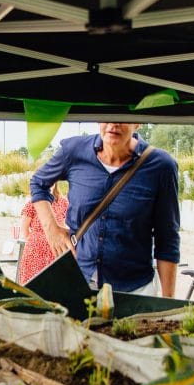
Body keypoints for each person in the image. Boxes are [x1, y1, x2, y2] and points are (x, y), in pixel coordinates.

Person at [29, 122, 180, 296]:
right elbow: (38, 183)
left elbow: (167, 238)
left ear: (137, 122)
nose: (113, 124)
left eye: (122, 117)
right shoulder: (73, 151)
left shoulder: (161, 166)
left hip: (135, 289)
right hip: (78, 282)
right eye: (106, 116)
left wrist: (169, 301)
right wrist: (51, 230)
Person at [17, 182, 68, 284]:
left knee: (53, 283)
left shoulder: (63, 203)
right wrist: (36, 241)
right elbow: (24, 229)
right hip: (35, 251)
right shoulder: (33, 202)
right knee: (32, 283)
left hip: (54, 250)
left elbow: (64, 226)